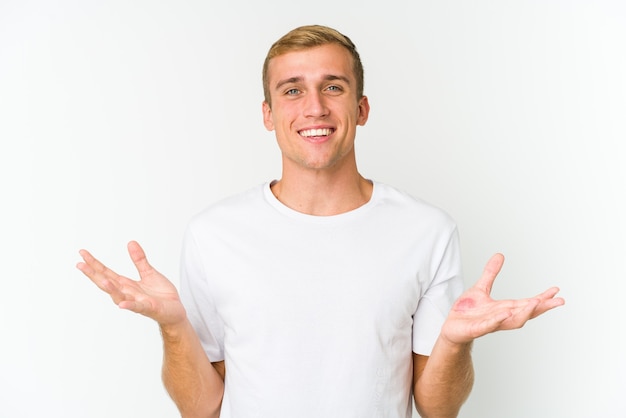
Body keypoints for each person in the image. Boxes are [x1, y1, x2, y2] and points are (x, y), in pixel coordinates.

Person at [76, 25, 564, 418]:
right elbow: (200, 408)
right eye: (293, 91)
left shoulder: (427, 230)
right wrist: (175, 326)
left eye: (333, 86)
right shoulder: (213, 234)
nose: (315, 108)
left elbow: (438, 409)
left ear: (361, 107)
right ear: (268, 115)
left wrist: (454, 343)